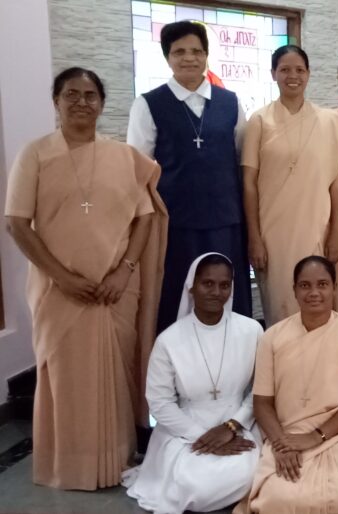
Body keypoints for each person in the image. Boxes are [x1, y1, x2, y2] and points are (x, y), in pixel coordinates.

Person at [5, 67, 166, 490]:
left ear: (101, 103)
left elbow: (145, 218)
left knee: (116, 376)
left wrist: (124, 270)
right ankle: (69, 466)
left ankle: (117, 459)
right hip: (57, 291)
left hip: (116, 290)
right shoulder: (35, 155)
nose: (81, 102)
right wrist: (62, 278)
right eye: (71, 94)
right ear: (56, 102)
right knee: (66, 378)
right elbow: (17, 224)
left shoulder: (123, 157)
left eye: (90, 95)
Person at [234, 256, 338, 514]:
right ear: (294, 290)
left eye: (322, 284)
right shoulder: (273, 337)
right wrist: (282, 444)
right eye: (305, 285)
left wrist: (316, 437)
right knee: (277, 498)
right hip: (288, 433)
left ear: (334, 288)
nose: (314, 292)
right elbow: (262, 402)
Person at [128, 20, 251, 332]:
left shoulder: (230, 102)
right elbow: (137, 171)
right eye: (179, 51)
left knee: (229, 300)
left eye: (196, 51)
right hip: (175, 225)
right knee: (177, 299)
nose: (189, 58)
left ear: (206, 56)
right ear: (167, 57)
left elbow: (242, 160)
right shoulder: (148, 104)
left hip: (225, 222)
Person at [124, 253, 263, 513]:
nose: (216, 292)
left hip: (237, 423)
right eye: (207, 284)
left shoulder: (251, 330)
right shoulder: (169, 340)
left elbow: (261, 389)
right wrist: (202, 436)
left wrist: (231, 426)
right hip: (184, 429)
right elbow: (159, 403)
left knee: (250, 472)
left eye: (224, 285)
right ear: (192, 286)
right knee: (196, 486)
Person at [242, 45, 338, 323]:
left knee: (315, 300)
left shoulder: (329, 122)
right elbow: (248, 184)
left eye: (299, 70)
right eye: (284, 69)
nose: (292, 76)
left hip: (315, 226)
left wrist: (336, 233)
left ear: (308, 74)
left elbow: (337, 184)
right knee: (279, 304)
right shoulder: (259, 120)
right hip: (273, 232)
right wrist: (254, 237)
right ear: (273, 74)